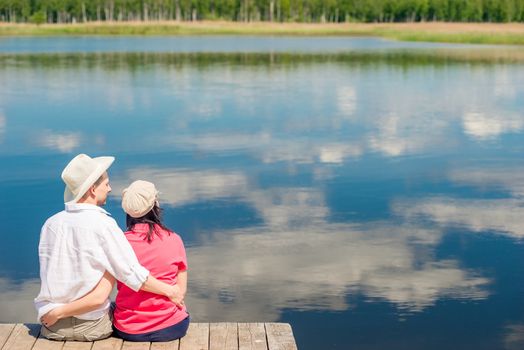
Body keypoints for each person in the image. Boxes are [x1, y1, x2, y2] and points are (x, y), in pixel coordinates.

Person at [35, 154, 184, 341]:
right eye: (106, 184)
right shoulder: (104, 225)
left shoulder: (51, 224)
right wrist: (171, 291)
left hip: (52, 326)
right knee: (117, 301)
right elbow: (131, 274)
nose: (110, 188)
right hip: (92, 328)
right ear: (92, 189)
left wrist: (57, 312)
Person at [112, 180, 189, 341]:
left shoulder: (119, 243)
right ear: (155, 205)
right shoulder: (174, 239)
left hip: (129, 329)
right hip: (172, 327)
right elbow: (180, 292)